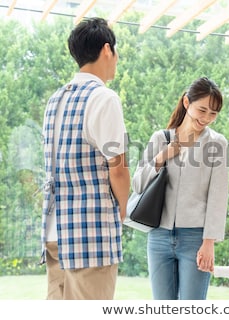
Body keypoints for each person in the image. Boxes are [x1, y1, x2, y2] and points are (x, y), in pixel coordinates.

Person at [41, 17, 130, 300]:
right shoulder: (104, 98)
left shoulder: (55, 100)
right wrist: (125, 206)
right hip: (90, 233)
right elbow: (117, 166)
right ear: (107, 50)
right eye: (116, 52)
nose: (116, 59)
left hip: (55, 229)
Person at [132, 77, 229, 300]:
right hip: (158, 236)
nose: (206, 118)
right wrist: (162, 156)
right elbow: (137, 184)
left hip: (195, 240)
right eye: (202, 110)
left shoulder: (217, 144)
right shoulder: (160, 138)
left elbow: (218, 196)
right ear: (187, 102)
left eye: (213, 114)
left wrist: (209, 243)